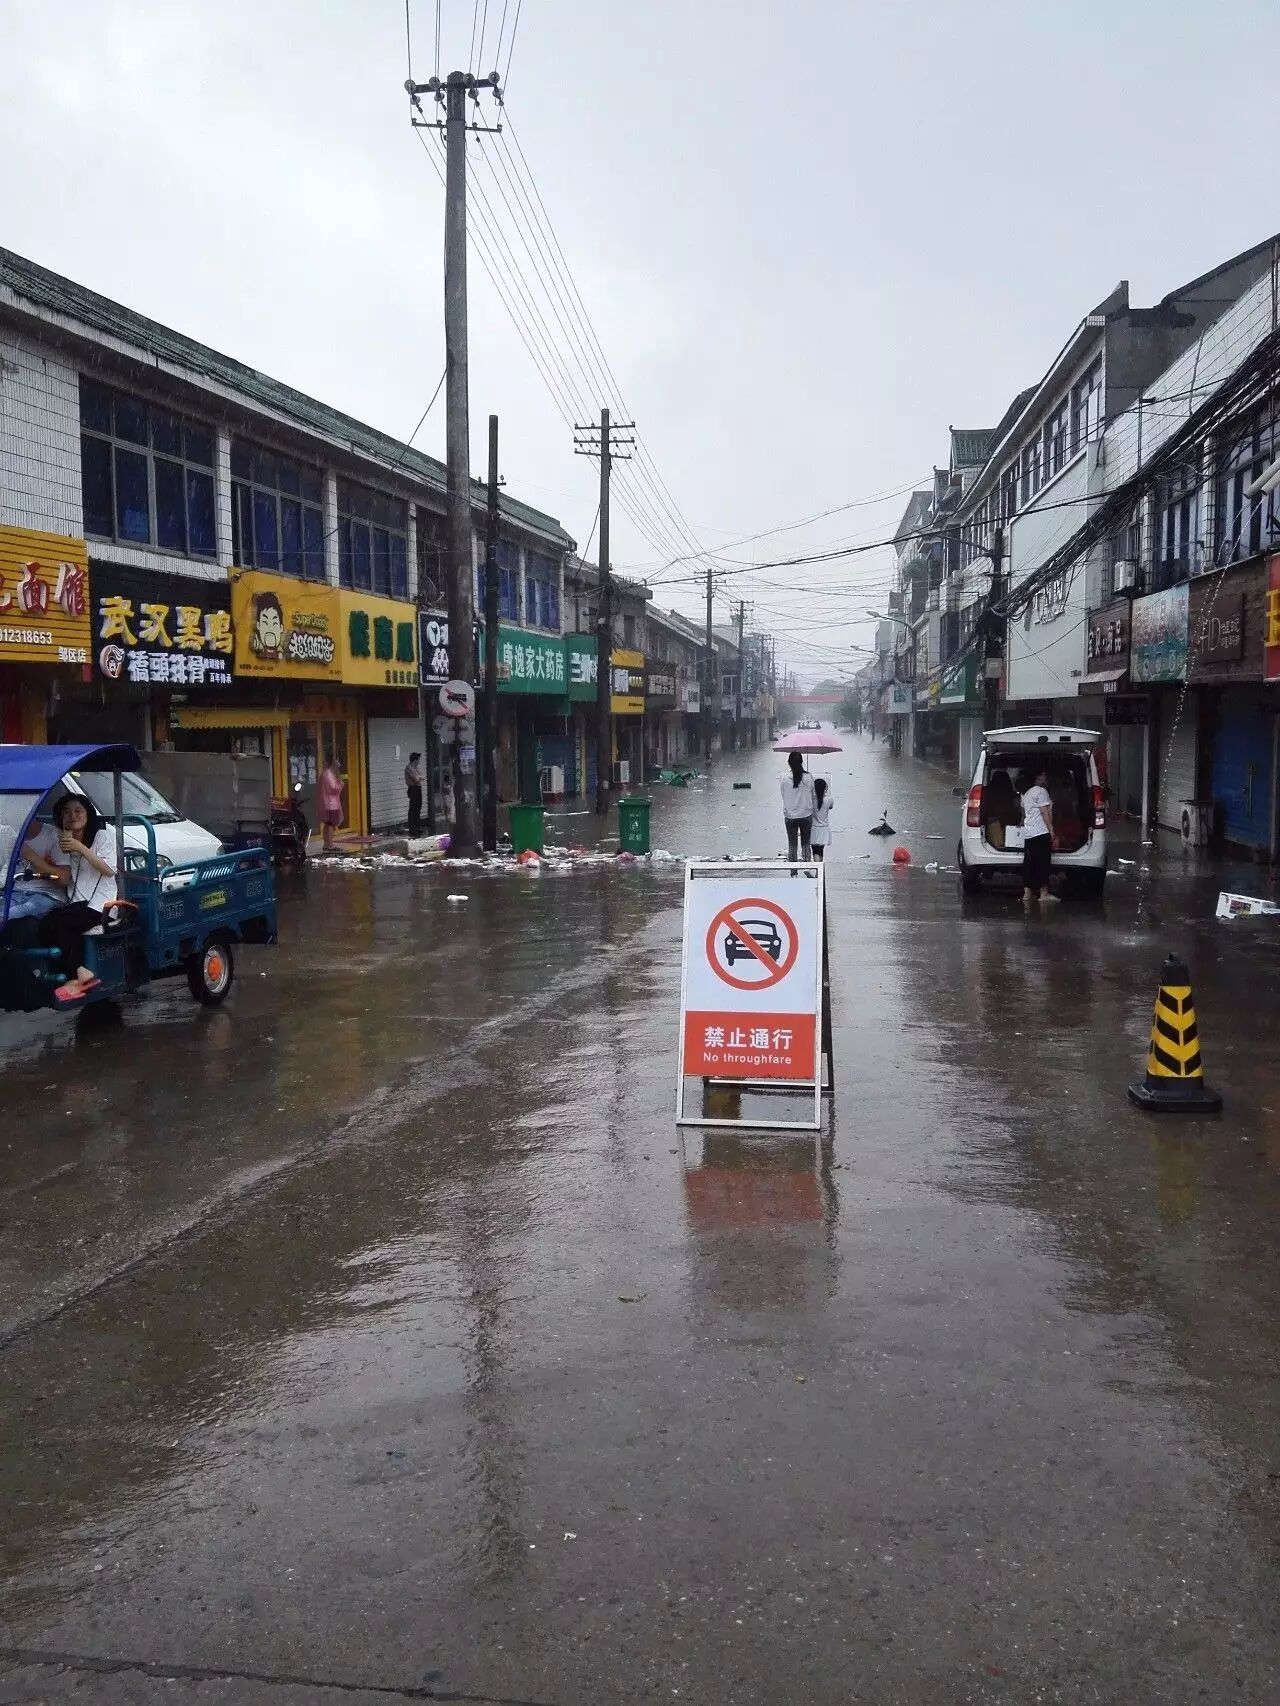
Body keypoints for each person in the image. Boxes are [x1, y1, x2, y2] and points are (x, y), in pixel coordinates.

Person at [34, 795, 119, 1002]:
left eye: (78, 811)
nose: (72, 816)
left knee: (57, 923)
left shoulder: (101, 837)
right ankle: (72, 975)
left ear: (88, 814)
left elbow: (109, 870)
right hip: (75, 905)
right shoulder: (60, 841)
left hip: (101, 906)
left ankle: (79, 977)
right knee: (46, 924)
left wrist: (79, 847)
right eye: (66, 811)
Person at [1019, 765, 1057, 909]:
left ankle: (1027, 893)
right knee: (1043, 863)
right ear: (1039, 777)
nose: (1046, 777)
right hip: (1041, 832)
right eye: (1044, 775)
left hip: (1029, 833)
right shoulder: (1041, 791)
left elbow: (1024, 814)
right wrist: (1051, 830)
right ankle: (1044, 894)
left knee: (1029, 863)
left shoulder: (1026, 793)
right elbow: (1044, 812)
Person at [780, 749, 816, 861]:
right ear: (801, 762)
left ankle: (793, 873)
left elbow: (783, 794)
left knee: (792, 845)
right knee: (806, 844)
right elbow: (813, 794)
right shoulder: (808, 777)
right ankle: (806, 866)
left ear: (789, 763)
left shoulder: (784, 778)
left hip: (790, 816)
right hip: (806, 814)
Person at [318, 754, 345, 853]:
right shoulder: (328, 775)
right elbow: (333, 789)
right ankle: (330, 844)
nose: (339, 764)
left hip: (329, 803)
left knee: (328, 824)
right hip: (331, 804)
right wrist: (341, 785)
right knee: (330, 824)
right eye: (337, 761)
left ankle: (327, 843)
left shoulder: (326, 774)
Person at [810, 777, 833, 862]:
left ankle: (817, 871)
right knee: (821, 850)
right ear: (825, 788)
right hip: (824, 828)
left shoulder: (811, 800)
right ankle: (820, 871)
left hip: (813, 828)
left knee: (815, 850)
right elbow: (831, 807)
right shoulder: (829, 799)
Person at [405, 751, 424, 837]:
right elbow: (417, 779)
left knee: (418, 808)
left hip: (418, 788)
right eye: (418, 760)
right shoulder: (409, 768)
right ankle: (412, 829)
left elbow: (421, 776)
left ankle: (417, 827)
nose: (419, 762)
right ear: (414, 760)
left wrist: (419, 777)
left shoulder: (415, 768)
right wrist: (419, 777)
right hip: (413, 788)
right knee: (413, 809)